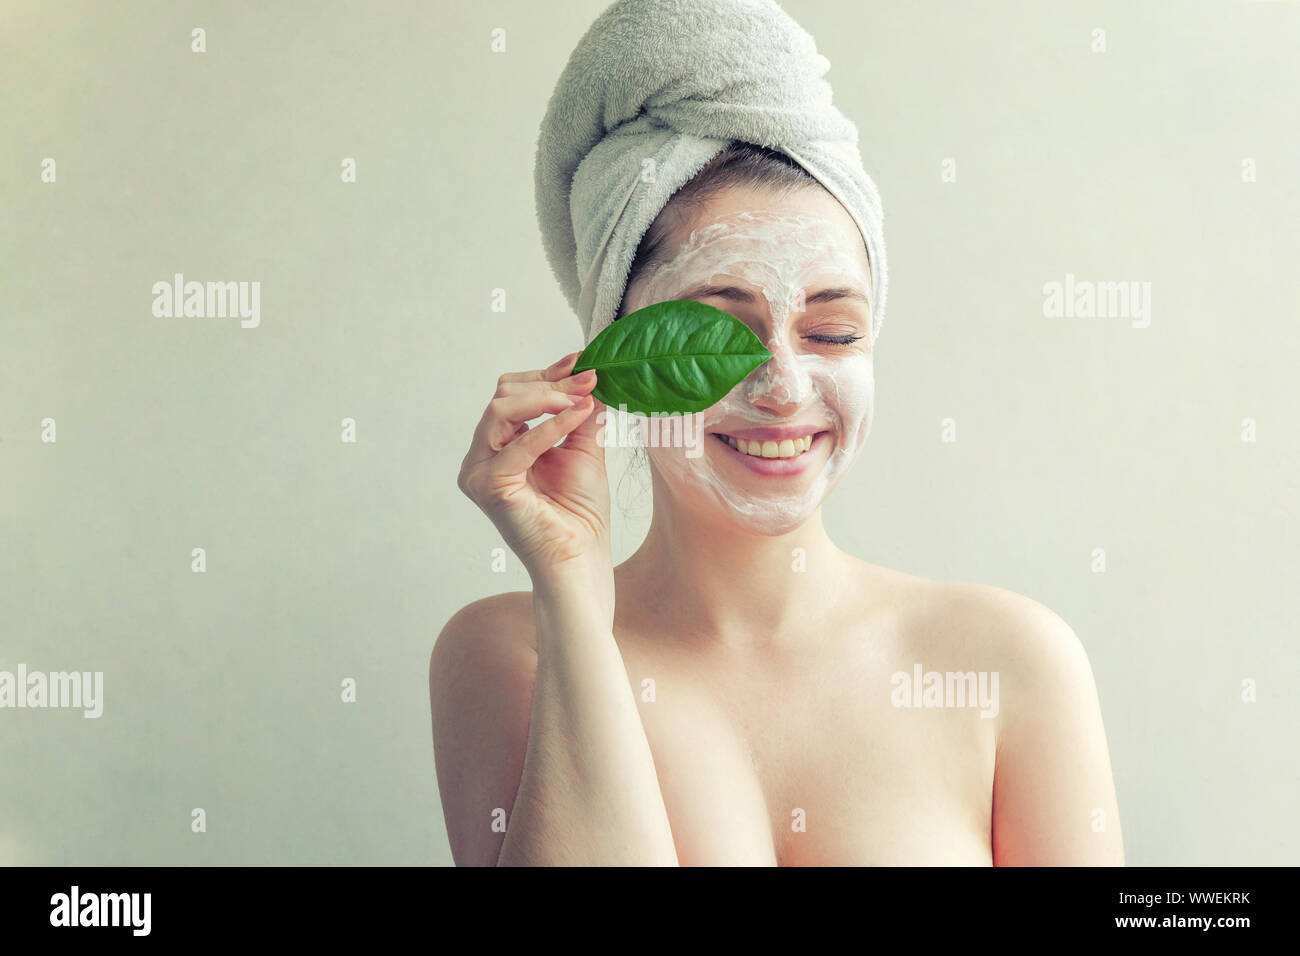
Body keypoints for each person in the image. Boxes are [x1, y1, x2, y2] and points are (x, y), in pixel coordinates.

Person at [430, 141, 1124, 866]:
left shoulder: (1009, 659)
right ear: (624, 359)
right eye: (717, 337)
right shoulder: (513, 653)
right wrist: (573, 594)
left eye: (833, 334)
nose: (785, 389)